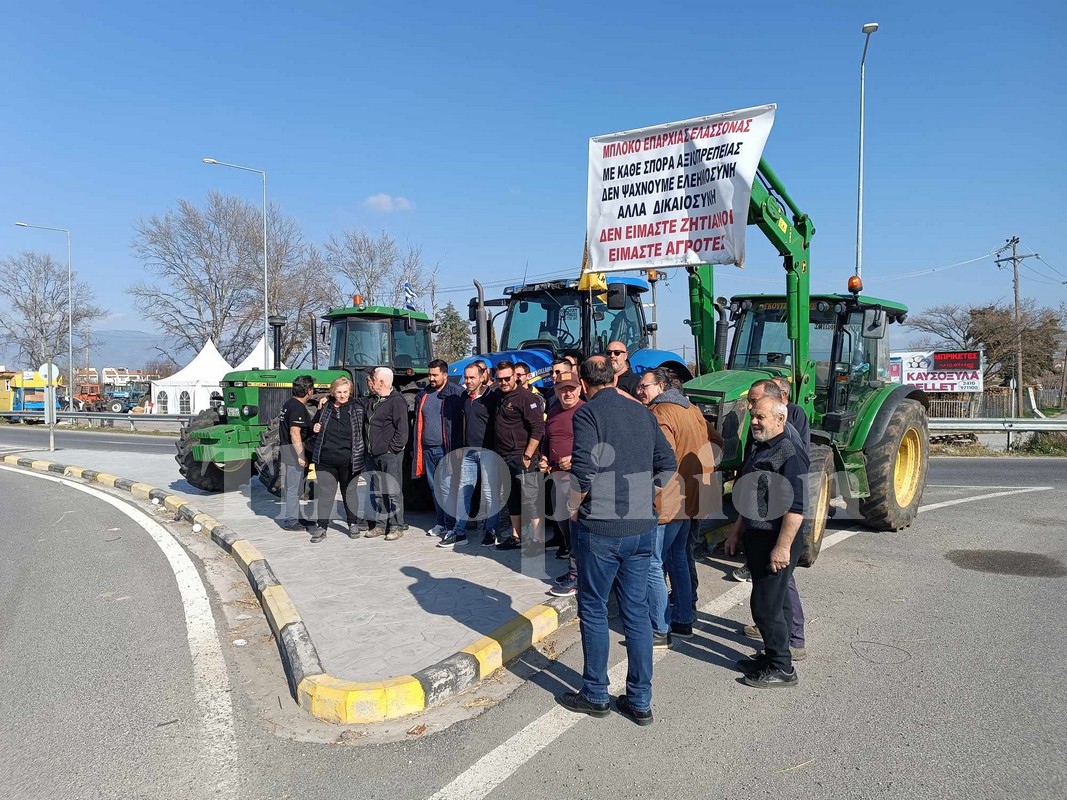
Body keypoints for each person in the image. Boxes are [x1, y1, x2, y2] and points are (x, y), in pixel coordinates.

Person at [558, 356, 676, 726]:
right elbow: (668, 462)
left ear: (583, 382)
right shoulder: (642, 411)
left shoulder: (588, 414)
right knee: (636, 611)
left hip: (603, 530)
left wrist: (574, 508)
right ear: (614, 377)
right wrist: (645, 492)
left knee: (593, 608)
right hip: (641, 527)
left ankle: (595, 693)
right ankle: (640, 700)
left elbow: (583, 471)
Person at [725, 395, 809, 688]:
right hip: (758, 536)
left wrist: (782, 546)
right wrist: (737, 531)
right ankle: (773, 655)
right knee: (774, 601)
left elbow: (797, 508)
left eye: (761, 417)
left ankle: (782, 668)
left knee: (765, 606)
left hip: (776, 538)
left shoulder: (789, 452)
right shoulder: (762, 446)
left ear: (780, 419)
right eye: (754, 416)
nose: (755, 422)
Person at [637, 367, 722, 644]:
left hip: (666, 502)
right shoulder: (692, 410)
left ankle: (660, 629)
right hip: (691, 498)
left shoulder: (660, 414)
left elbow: (661, 460)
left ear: (660, 387)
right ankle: (684, 619)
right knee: (679, 560)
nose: (640, 391)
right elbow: (717, 442)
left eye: (644, 386)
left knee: (653, 563)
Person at [445, 362, 503, 548]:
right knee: (464, 491)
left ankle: (490, 531)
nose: (468, 381)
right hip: (468, 453)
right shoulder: (464, 397)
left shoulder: (492, 398)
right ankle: (459, 531)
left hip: (488, 453)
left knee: (489, 493)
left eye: (472, 378)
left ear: (482, 377)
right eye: (466, 377)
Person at [490, 360, 544, 551]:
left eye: (507, 378)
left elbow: (538, 428)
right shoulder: (499, 396)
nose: (503, 382)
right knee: (512, 498)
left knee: (531, 500)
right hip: (504, 457)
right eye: (500, 379)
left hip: (522, 457)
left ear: (515, 377)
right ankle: (516, 536)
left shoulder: (526, 398)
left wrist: (528, 455)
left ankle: (536, 541)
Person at [308, 376, 366, 544]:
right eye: (339, 392)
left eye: (345, 392)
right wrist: (314, 427)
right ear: (333, 392)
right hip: (325, 459)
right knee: (326, 494)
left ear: (350, 392)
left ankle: (352, 523)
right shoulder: (325, 407)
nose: (342, 396)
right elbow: (313, 425)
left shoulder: (357, 408)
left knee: (350, 493)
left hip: (350, 460)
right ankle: (322, 526)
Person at [541, 376, 584, 597]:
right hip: (556, 477)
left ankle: (577, 576)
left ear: (579, 389)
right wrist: (544, 457)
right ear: (556, 392)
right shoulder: (554, 411)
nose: (567, 394)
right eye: (562, 390)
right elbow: (548, 439)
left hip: (578, 481)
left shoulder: (585, 412)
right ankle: (574, 569)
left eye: (571, 389)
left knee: (576, 528)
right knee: (563, 526)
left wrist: (575, 459)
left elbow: (597, 447)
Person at [413, 359, 465, 538]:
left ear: (445, 374)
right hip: (427, 450)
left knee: (448, 488)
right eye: (430, 375)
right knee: (435, 488)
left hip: (447, 449)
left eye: (435, 375)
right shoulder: (423, 395)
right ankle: (441, 523)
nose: (431, 378)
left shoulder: (457, 394)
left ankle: (452, 525)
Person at [363, 367, 410, 541]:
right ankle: (381, 525)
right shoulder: (372, 400)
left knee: (392, 490)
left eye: (371, 379)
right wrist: (328, 398)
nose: (369, 382)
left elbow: (402, 430)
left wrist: (392, 448)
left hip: (389, 455)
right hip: (372, 455)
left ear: (381, 382)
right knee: (377, 490)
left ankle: (397, 525)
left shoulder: (397, 401)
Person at [278, 374, 315, 531]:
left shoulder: (288, 404)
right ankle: (291, 520)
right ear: (308, 391)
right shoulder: (297, 407)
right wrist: (300, 456)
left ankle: (297, 516)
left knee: (296, 487)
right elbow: (295, 432)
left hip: (287, 449)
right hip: (293, 452)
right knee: (293, 487)